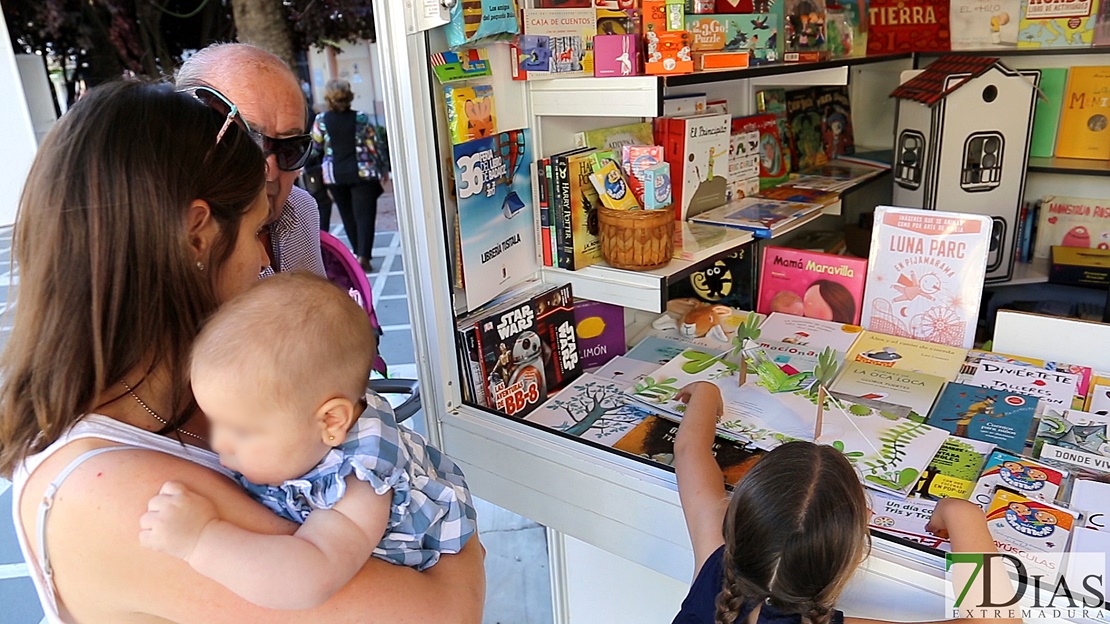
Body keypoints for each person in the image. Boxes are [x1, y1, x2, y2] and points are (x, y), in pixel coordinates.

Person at [0, 81, 484, 623]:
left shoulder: (193, 391)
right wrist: (462, 542)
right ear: (195, 235)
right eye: (259, 231)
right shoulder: (120, 499)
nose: (265, 262)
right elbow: (446, 612)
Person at [139, 273, 477, 609]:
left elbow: (309, 576)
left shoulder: (360, 487)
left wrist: (200, 539)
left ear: (331, 421)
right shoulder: (311, 426)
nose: (219, 444)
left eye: (241, 432)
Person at [671, 382, 1020, 624]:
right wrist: (964, 514)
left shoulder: (714, 563)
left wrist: (706, 391)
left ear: (734, 522)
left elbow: (689, 449)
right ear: (853, 554)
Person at [176, 43, 326, 278]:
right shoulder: (159, 252)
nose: (271, 171)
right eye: (245, 145)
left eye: (290, 148)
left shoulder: (300, 208)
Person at [311, 79, 389, 272]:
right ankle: (364, 256)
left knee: (347, 216)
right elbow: (375, 144)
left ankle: (356, 254)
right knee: (365, 216)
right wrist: (383, 168)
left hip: (335, 176)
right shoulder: (361, 118)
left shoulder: (321, 120)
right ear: (349, 96)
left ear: (328, 98)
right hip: (364, 173)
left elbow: (315, 148)